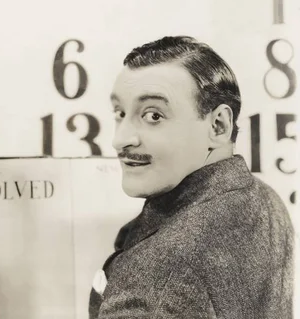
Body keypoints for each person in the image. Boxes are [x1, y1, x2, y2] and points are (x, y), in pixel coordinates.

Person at [89, 36, 294, 319]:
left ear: (219, 125)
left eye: (153, 115)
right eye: (120, 113)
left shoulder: (157, 270)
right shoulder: (266, 199)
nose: (119, 139)